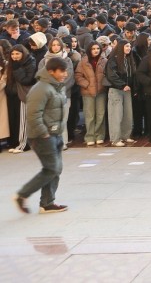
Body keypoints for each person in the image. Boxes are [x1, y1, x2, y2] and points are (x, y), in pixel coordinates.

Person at [14, 56, 69, 214]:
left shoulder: (57, 86)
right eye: (62, 71)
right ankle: (23, 195)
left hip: (55, 133)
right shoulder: (41, 88)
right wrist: (43, 133)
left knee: (55, 169)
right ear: (51, 71)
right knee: (52, 169)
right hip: (43, 136)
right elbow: (33, 114)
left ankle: (47, 203)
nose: (65, 74)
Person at [74, 41, 107, 146]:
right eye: (93, 49)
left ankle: (100, 135)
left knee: (101, 114)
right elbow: (78, 76)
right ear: (89, 50)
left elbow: (108, 74)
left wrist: (103, 84)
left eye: (97, 48)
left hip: (101, 92)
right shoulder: (83, 61)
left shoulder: (104, 61)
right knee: (90, 115)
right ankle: (90, 136)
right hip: (87, 92)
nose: (96, 50)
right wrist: (87, 85)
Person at [104, 40, 136, 147]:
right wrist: (122, 85)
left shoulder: (129, 59)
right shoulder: (113, 59)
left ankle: (125, 135)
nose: (129, 48)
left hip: (127, 90)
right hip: (116, 90)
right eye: (126, 46)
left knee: (128, 114)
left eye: (130, 46)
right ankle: (115, 138)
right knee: (115, 115)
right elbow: (111, 75)